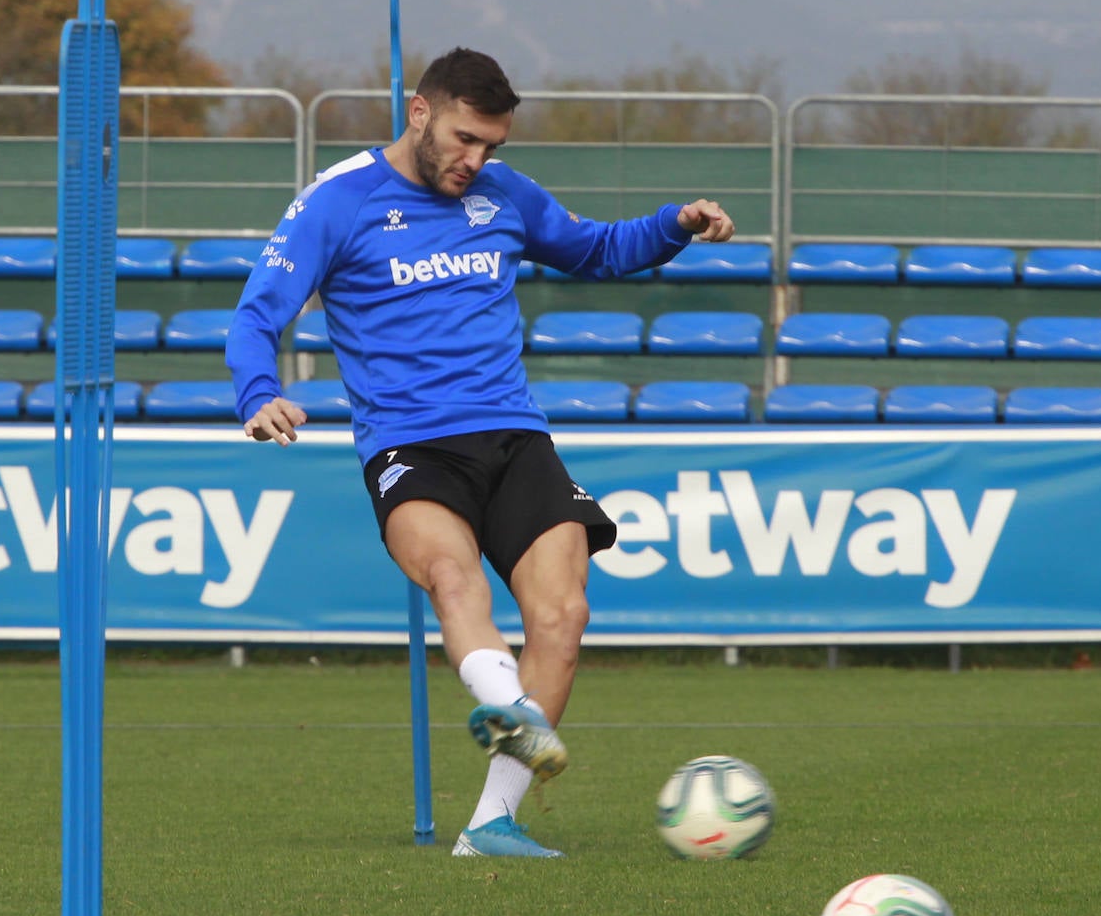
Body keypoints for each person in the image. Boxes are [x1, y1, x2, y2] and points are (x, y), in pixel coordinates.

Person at [226, 46, 735, 858]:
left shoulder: (504, 195)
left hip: (514, 435)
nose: (477, 160)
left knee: (564, 615)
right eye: (465, 139)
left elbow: (597, 248)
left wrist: (674, 225)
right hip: (411, 446)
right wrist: (258, 394)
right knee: (454, 577)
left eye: (492, 145)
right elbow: (258, 314)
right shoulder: (338, 201)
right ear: (420, 112)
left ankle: (492, 824)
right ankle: (507, 704)